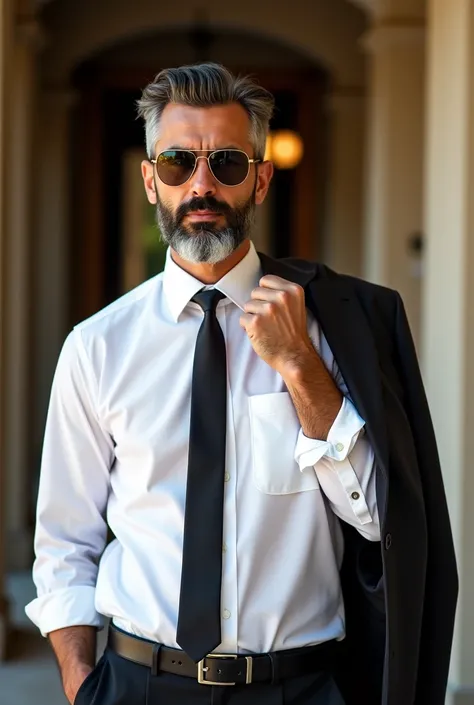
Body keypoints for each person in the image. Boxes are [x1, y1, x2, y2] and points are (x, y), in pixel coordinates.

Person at [26, 62, 458, 705]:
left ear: (260, 179)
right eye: (177, 162)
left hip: (300, 686)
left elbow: (377, 519)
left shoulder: (337, 327)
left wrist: (299, 366)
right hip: (139, 684)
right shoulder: (97, 346)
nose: (201, 184)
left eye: (226, 162)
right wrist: (80, 681)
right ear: (150, 180)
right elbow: (65, 540)